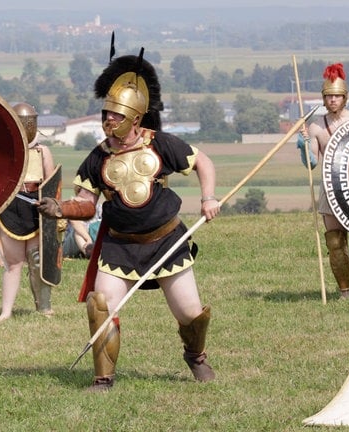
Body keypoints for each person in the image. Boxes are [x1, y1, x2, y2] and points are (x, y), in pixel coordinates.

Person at [37, 52, 220, 391]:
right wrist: (61, 209)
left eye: (116, 115)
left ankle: (196, 357)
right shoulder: (97, 157)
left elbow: (203, 162)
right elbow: (85, 204)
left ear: (135, 119)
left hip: (167, 241)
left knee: (191, 315)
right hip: (119, 246)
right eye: (106, 114)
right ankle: (103, 377)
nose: (109, 120)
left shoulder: (162, 144)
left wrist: (208, 198)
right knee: (101, 305)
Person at [0, 102, 56, 321]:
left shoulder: (42, 151)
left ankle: (44, 307)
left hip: (35, 209)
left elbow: (50, 184)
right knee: (13, 263)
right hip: (11, 208)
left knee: (37, 259)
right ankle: (6, 312)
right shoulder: (4, 151)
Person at [304, 63, 349, 299]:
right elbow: (311, 163)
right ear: (323, 99)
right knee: (335, 242)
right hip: (331, 189)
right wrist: (304, 146)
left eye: (337, 96)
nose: (333, 100)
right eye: (328, 96)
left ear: (344, 97)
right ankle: (344, 291)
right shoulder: (316, 127)